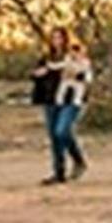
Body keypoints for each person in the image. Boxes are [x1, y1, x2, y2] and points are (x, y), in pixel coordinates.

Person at [32, 26, 91, 185]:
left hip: (71, 100)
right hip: (50, 99)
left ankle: (78, 160)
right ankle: (59, 173)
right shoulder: (46, 57)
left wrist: (74, 73)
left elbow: (85, 74)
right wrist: (39, 74)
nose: (56, 41)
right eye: (53, 38)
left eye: (59, 38)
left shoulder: (74, 56)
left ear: (66, 39)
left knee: (61, 131)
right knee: (54, 136)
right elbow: (36, 74)